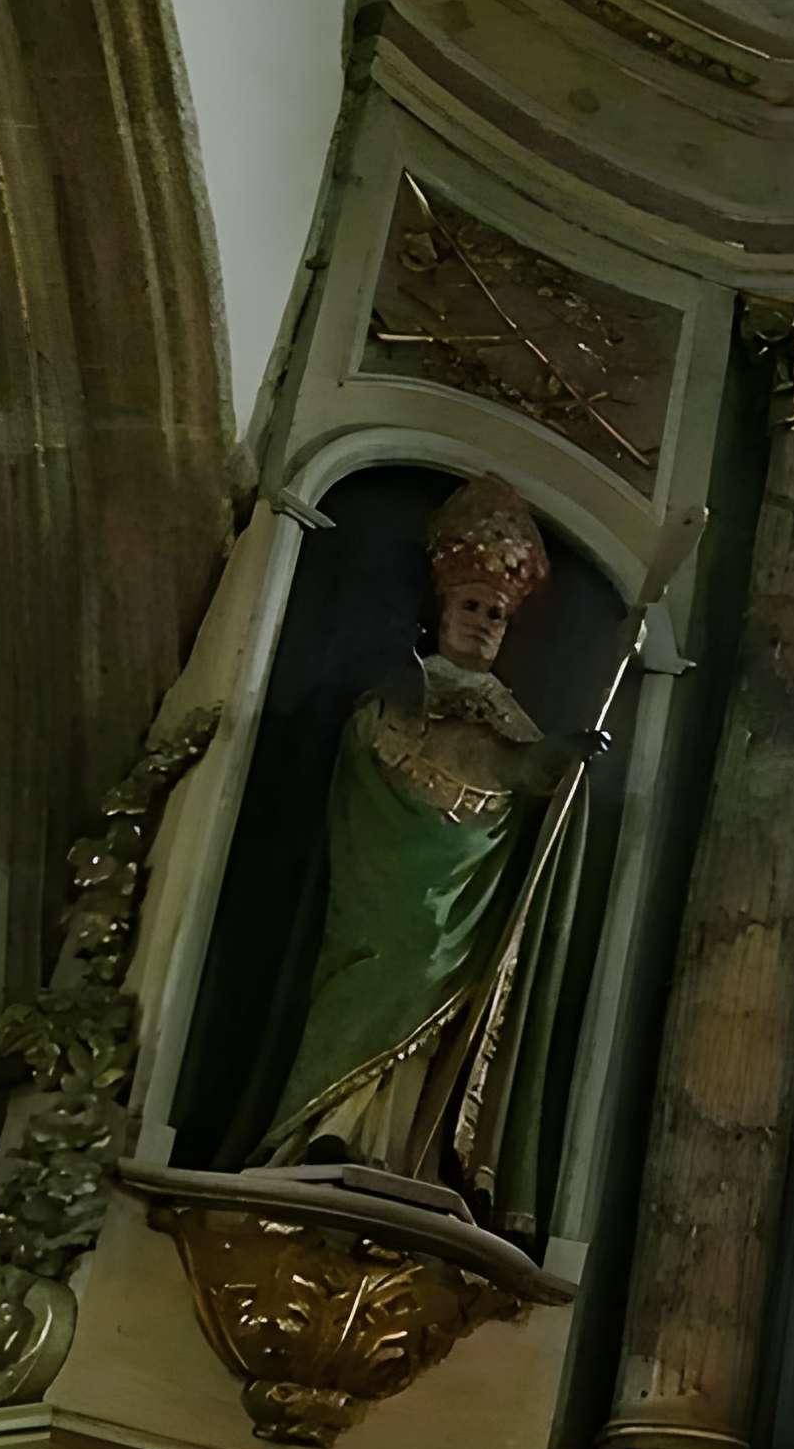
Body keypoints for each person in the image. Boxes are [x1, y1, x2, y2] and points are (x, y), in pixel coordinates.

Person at [256, 476, 604, 1236]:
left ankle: (397, 1154)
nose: (482, 622)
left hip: (466, 901)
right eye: (470, 606)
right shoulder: (394, 697)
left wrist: (563, 759)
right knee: (394, 958)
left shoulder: (511, 722)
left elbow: (516, 776)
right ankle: (327, 1123)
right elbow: (382, 765)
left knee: (437, 993)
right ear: (441, 611)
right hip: (386, 879)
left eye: (495, 615)